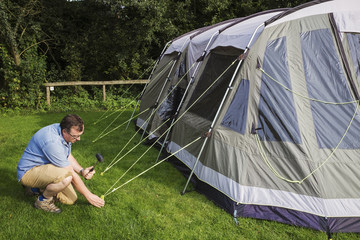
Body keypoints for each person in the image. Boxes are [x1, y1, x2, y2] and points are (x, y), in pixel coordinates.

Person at [17, 114, 105, 213]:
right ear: (64, 132)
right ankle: (42, 202)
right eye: (76, 136)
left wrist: (81, 171)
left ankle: (34, 189)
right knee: (67, 177)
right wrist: (89, 196)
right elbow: (70, 173)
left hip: (44, 167)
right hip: (28, 171)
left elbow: (66, 155)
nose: (79, 139)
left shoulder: (63, 131)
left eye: (80, 135)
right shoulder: (52, 142)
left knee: (70, 199)